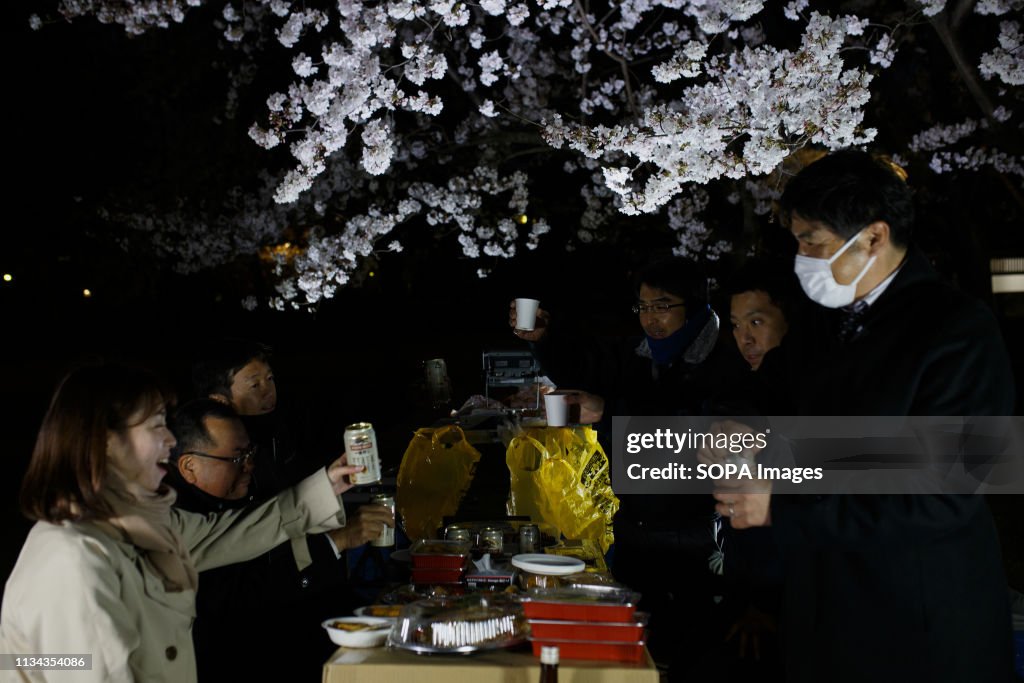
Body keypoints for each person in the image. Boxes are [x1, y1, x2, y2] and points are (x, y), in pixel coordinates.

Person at [716, 149, 1016, 682]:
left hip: (916, 626)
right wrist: (739, 429)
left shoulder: (958, 332)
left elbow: (944, 491)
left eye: (813, 240)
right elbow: (769, 395)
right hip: (822, 615)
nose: (801, 255)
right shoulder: (824, 324)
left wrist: (780, 509)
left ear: (874, 236)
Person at [0, 364, 363, 683]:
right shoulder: (74, 559)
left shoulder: (142, 526)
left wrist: (328, 483)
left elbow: (233, 534)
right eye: (156, 424)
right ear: (105, 441)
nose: (171, 440)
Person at [510, 256, 747, 679]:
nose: (651, 319)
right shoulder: (638, 354)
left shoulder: (728, 360)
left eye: (663, 305)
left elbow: (699, 431)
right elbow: (587, 372)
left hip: (695, 529)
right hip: (633, 523)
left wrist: (611, 414)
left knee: (694, 649)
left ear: (693, 305)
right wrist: (544, 340)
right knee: (637, 648)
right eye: (643, 307)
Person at [166, 399, 394, 682]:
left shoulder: (245, 489)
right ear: (188, 466)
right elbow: (244, 597)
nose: (248, 465)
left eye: (250, 452)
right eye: (236, 457)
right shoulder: (167, 518)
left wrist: (328, 485)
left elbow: (260, 526)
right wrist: (335, 542)